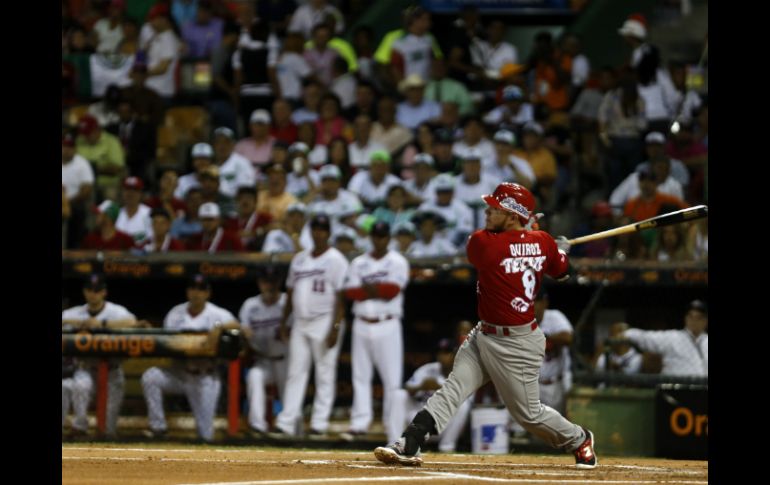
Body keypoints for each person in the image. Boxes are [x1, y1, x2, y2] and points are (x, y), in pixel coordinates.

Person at [374, 182, 597, 469]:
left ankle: (579, 439)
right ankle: (410, 441)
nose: (487, 211)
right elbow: (564, 272)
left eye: (496, 208)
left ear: (514, 215)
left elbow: (513, 247)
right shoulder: (540, 242)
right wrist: (557, 249)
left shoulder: (487, 243)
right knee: (454, 387)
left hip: (517, 343)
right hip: (485, 333)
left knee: (528, 414)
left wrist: (542, 242)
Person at [271, 215, 349, 437]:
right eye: (315, 229)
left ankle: (319, 423)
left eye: (323, 229)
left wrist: (336, 327)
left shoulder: (336, 259)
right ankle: (286, 422)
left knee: (324, 373)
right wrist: (284, 320)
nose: (319, 233)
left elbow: (341, 297)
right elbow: (291, 292)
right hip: (300, 321)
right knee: (296, 372)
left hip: (324, 319)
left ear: (328, 233)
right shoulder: (299, 259)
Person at [141, 274, 240, 442]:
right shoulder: (175, 313)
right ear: (188, 291)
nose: (196, 293)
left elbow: (238, 327)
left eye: (201, 289)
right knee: (151, 377)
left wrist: (219, 328)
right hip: (179, 373)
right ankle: (158, 427)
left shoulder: (217, 313)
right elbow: (167, 343)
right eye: (193, 288)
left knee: (206, 434)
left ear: (208, 293)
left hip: (205, 376)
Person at [341, 221, 410, 442]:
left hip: (387, 323)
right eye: (376, 236)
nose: (379, 240)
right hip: (361, 323)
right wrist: (376, 290)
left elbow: (392, 290)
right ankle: (360, 423)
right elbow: (350, 292)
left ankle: (392, 426)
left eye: (383, 236)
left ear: (388, 238)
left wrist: (368, 289)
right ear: (371, 237)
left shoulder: (397, 261)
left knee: (392, 380)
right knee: (360, 376)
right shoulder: (358, 262)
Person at [62, 274, 142, 438]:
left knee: (108, 430)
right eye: (90, 290)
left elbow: (132, 321)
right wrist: (79, 323)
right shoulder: (76, 312)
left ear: (104, 292)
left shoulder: (114, 311)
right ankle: (80, 428)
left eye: (97, 290)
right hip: (85, 368)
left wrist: (102, 324)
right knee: (79, 385)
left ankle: (106, 440)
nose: (93, 294)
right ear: (85, 292)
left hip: (112, 370)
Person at [389, 338, 472, 452]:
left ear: (455, 354)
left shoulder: (462, 373)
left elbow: (468, 397)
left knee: (464, 404)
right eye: (440, 352)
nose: (442, 356)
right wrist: (421, 386)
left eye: (446, 353)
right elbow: (407, 387)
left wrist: (438, 386)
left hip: (442, 426)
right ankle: (393, 443)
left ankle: (447, 447)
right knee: (399, 395)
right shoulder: (428, 369)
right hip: (417, 423)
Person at [239, 266, 290, 435]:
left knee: (290, 395)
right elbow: (243, 332)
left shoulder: (287, 302)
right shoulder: (250, 305)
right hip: (264, 360)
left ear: (279, 283)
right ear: (259, 283)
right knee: (254, 376)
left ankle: (292, 431)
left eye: (273, 282)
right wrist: (245, 335)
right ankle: (257, 426)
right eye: (265, 282)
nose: (269, 286)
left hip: (287, 360)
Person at [620, 300, 708, 377]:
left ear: (705, 321)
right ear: (686, 318)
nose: (694, 321)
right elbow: (645, 337)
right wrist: (626, 333)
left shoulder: (706, 341)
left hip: (703, 391)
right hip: (675, 390)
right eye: (690, 316)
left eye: (698, 318)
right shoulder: (673, 337)